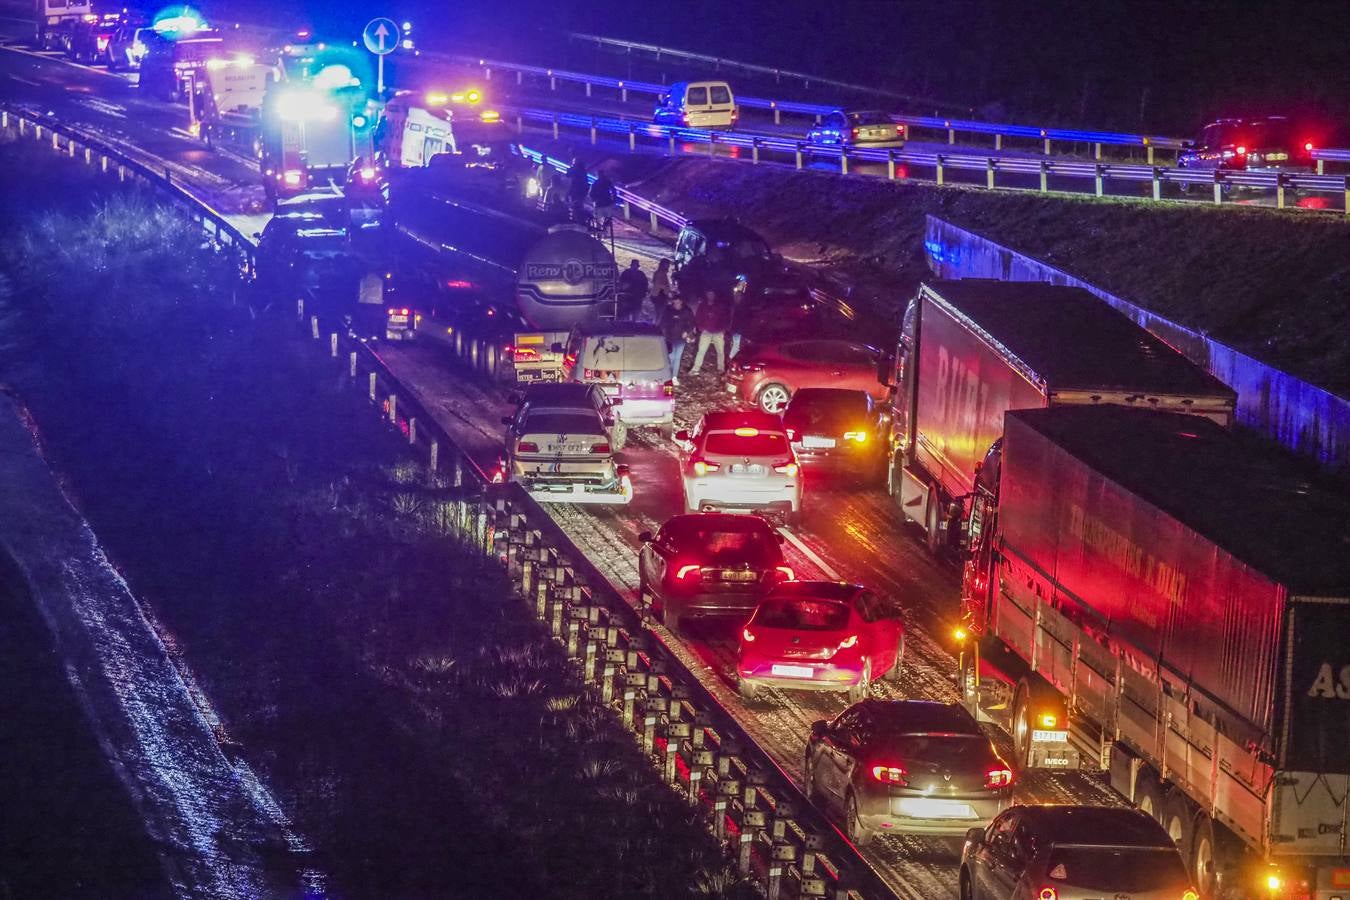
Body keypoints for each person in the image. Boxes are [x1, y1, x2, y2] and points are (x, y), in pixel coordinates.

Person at [690, 288, 730, 375]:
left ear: (714, 295)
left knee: (720, 351)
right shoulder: (702, 305)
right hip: (706, 331)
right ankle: (696, 369)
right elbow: (698, 317)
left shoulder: (720, 305)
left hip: (718, 331)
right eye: (709, 294)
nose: (710, 296)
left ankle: (721, 368)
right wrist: (700, 328)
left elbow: (725, 317)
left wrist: (724, 329)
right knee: (701, 351)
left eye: (712, 294)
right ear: (706, 295)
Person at [660, 293, 695, 384]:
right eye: (675, 302)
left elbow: (691, 323)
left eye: (678, 302)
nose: (676, 304)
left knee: (677, 357)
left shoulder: (687, 311)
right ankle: (668, 375)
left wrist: (687, 331)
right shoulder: (668, 310)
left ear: (681, 302)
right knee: (671, 357)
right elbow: (663, 322)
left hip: (680, 338)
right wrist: (661, 332)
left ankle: (674, 376)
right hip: (670, 338)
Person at [728, 274, 749, 361]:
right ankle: (730, 359)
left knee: (736, 345)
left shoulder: (738, 306)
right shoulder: (737, 307)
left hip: (737, 329)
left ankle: (731, 359)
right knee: (736, 346)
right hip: (737, 329)